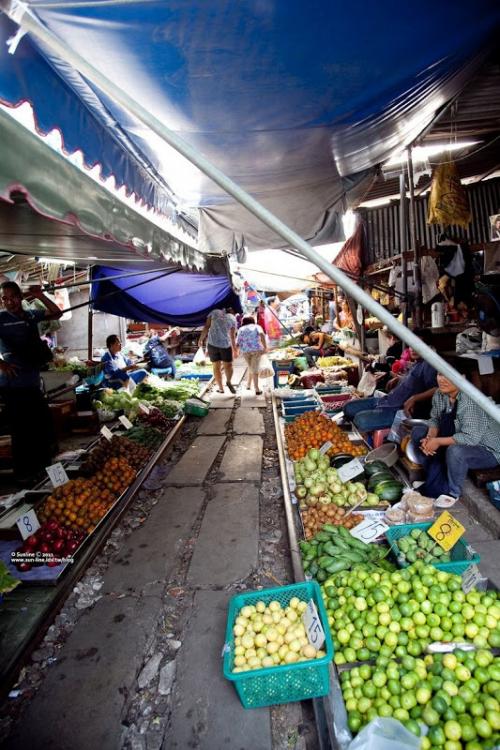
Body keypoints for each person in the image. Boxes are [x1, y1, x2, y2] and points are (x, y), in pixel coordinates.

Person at [0, 281, 62, 483]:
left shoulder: (30, 315)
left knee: (42, 427)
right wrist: (2, 365)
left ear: (20, 297)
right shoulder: (1, 319)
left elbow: (56, 313)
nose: (9, 302)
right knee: (21, 432)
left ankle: (44, 471)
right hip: (13, 386)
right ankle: (25, 477)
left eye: (12, 297)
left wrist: (41, 295)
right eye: (5, 298)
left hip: (33, 382)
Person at [410, 373, 500, 499]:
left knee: (456, 451)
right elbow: (435, 419)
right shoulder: (440, 394)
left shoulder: (470, 401)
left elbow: (471, 438)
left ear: (462, 377)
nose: (442, 379)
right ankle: (433, 479)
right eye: (440, 374)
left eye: (448, 374)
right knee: (418, 433)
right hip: (460, 437)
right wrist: (430, 438)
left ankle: (452, 493)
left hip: (487, 450)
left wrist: (438, 442)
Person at [343, 329, 438, 432]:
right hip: (386, 401)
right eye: (411, 345)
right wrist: (398, 379)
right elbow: (414, 381)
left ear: (428, 347)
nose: (413, 349)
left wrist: (415, 398)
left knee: (360, 419)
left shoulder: (429, 364)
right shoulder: (417, 362)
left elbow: (436, 388)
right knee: (347, 407)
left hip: (396, 410)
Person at [198, 308, 237, 393]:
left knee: (216, 367)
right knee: (228, 366)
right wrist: (235, 349)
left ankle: (221, 388)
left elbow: (206, 327)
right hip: (225, 345)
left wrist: (201, 339)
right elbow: (232, 336)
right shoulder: (233, 318)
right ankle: (228, 382)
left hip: (213, 344)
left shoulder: (214, 312)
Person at [236, 315, 267, 394]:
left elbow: (238, 341)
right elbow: (262, 334)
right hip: (256, 350)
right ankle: (257, 389)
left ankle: (248, 385)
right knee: (255, 369)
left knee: (251, 366)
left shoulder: (240, 329)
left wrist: (236, 350)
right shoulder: (257, 326)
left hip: (245, 351)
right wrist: (265, 347)